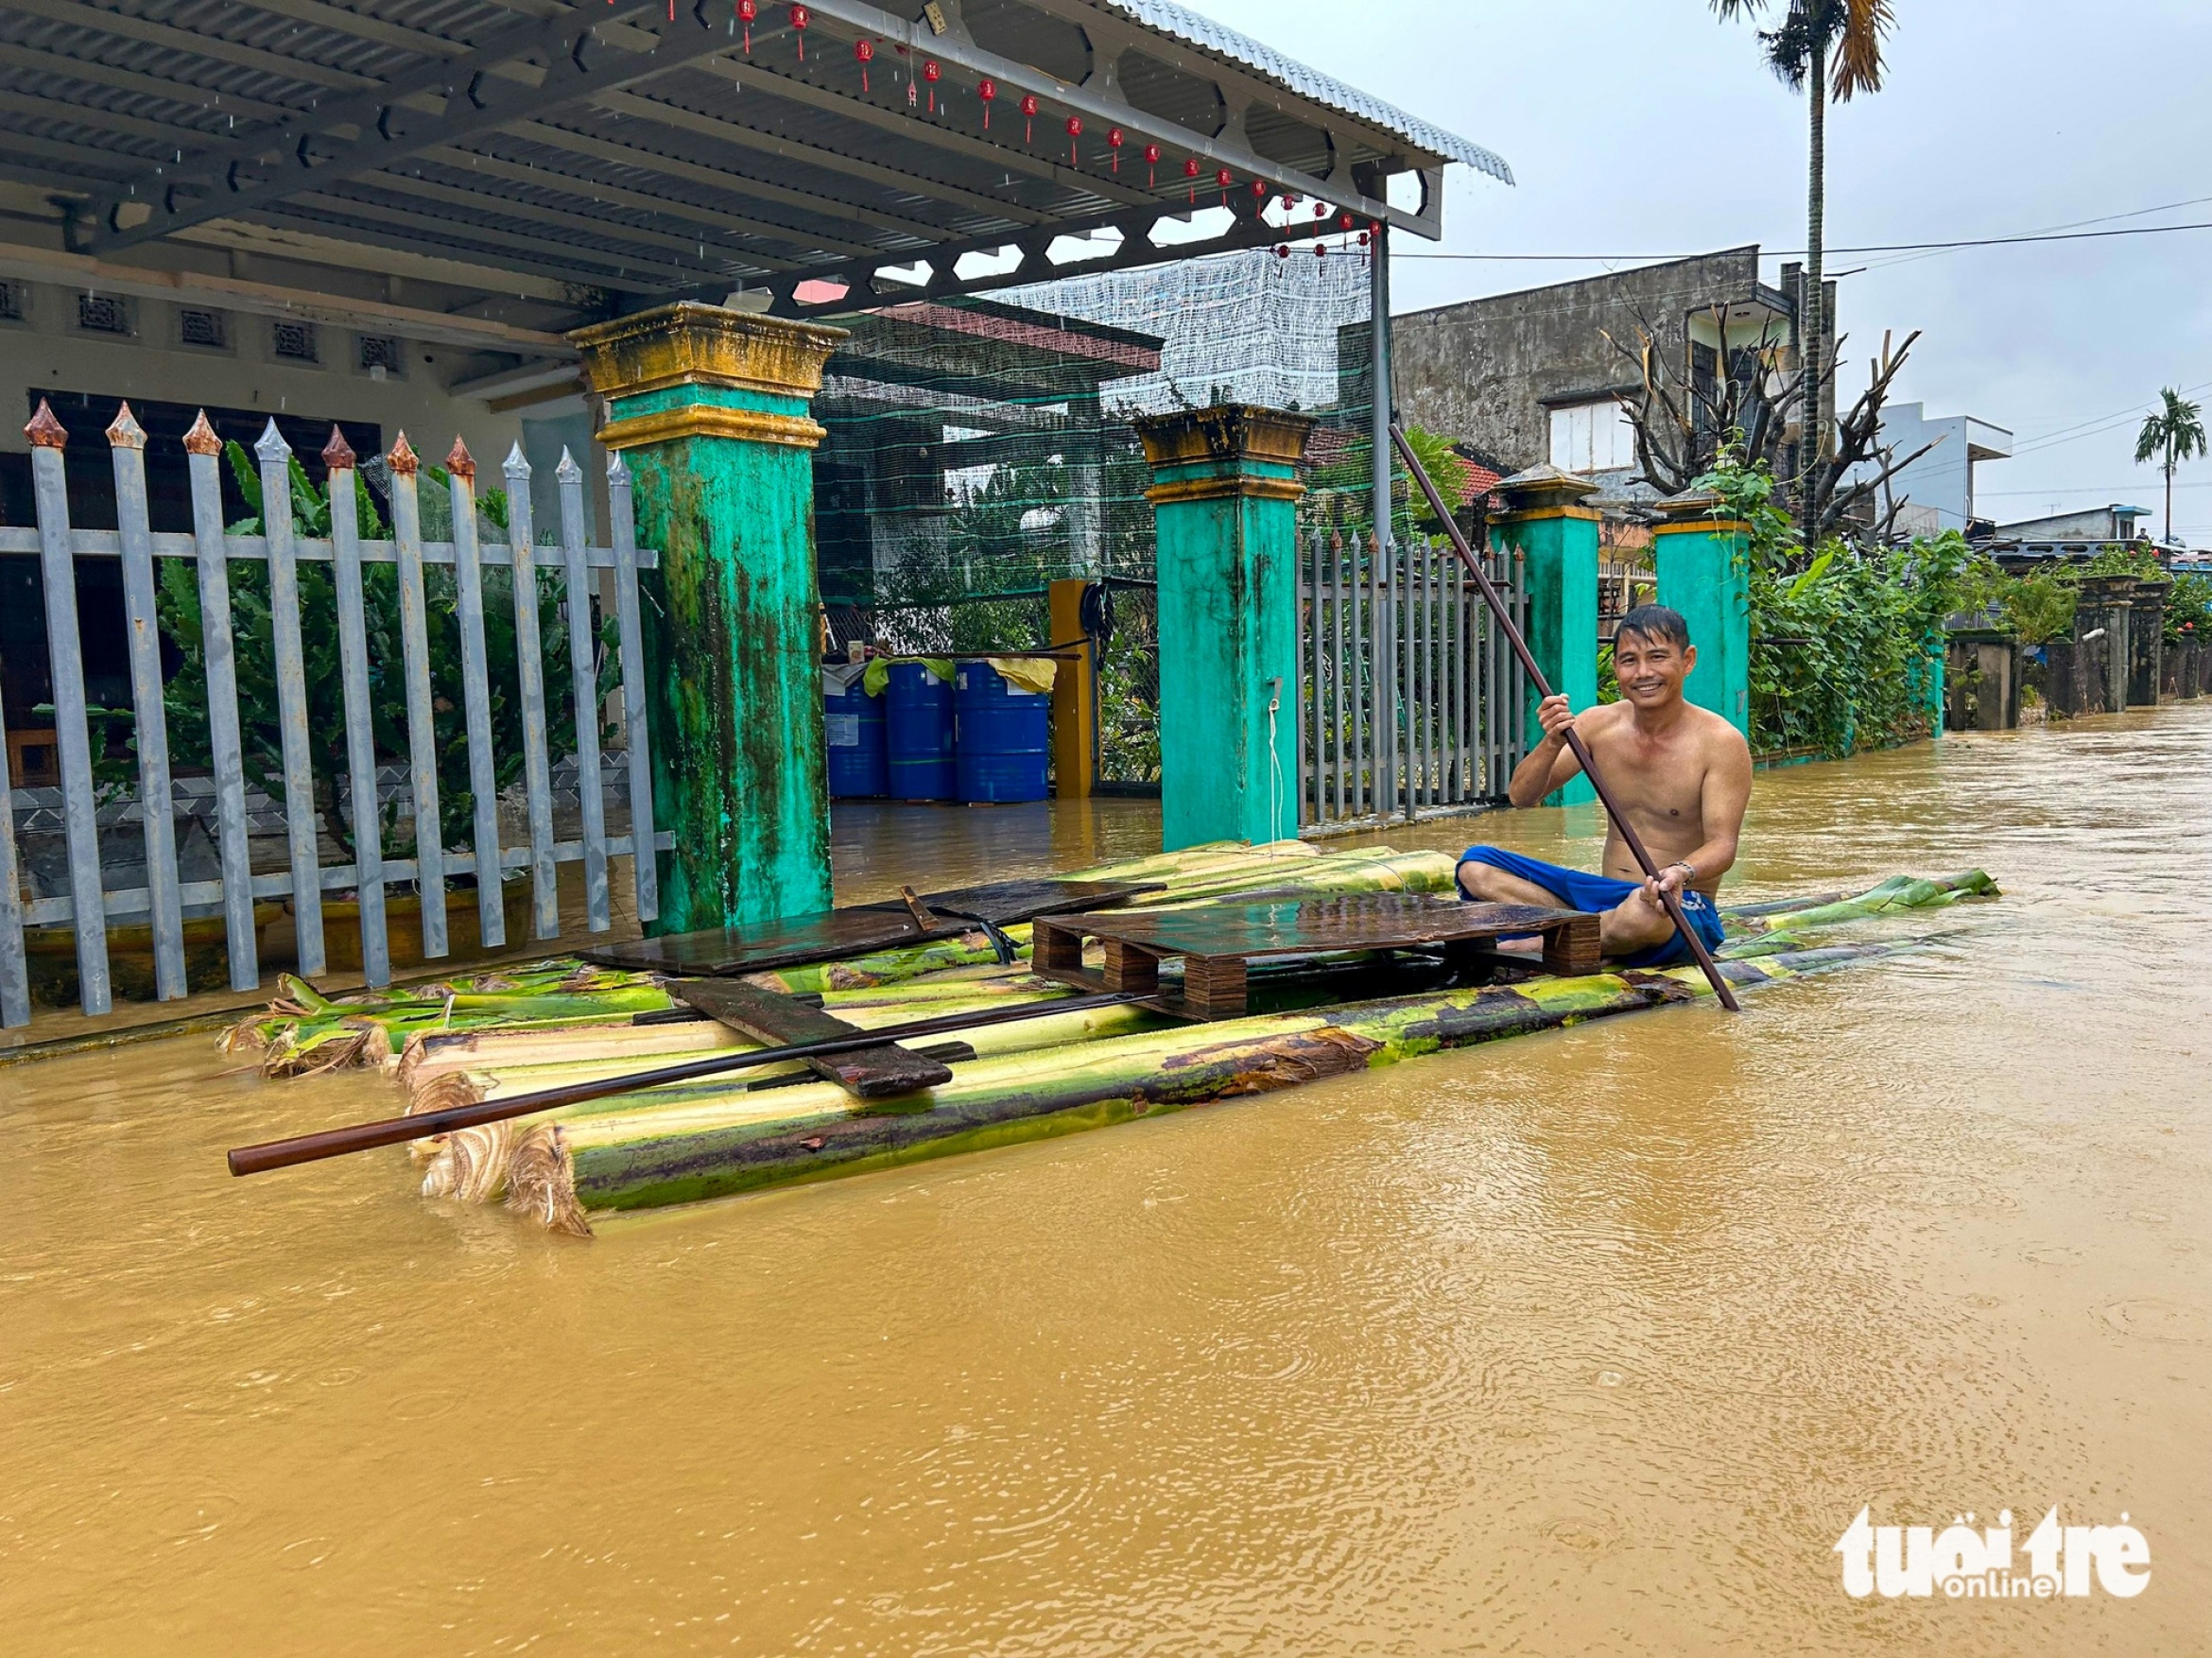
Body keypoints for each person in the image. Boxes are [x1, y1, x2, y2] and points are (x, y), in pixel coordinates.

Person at [1457, 604, 1752, 967]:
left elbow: (1723, 845)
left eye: (1657, 657)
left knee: (1645, 914)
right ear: (1615, 668)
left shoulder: (1721, 742)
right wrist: (1551, 741)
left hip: (1676, 903)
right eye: (1629, 660)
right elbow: (1522, 796)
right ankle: (1588, 935)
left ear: (1687, 660)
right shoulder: (1598, 724)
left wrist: (1679, 871)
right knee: (1476, 866)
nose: (1643, 673)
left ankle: (1545, 941)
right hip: (1601, 897)